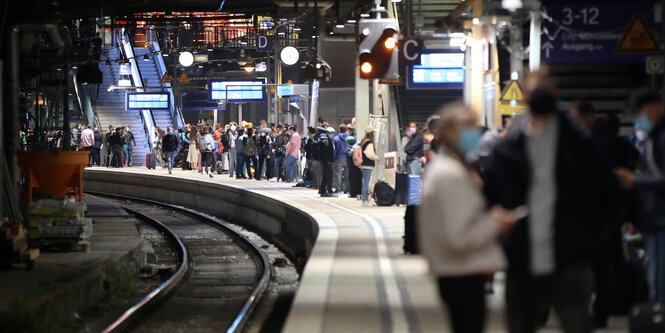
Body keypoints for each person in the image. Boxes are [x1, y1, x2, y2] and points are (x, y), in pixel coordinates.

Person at [483, 70, 620, 333]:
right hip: (521, 258)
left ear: (556, 93)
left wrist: (589, 238)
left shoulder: (582, 144)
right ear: (524, 96)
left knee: (576, 323)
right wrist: (502, 235)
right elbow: (490, 199)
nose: (540, 94)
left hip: (569, 258)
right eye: (534, 89)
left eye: (545, 87)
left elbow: (609, 195)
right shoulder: (508, 148)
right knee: (520, 325)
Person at [419, 102, 517, 333]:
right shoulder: (451, 175)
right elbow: (459, 236)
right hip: (462, 271)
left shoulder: (446, 168)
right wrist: (497, 223)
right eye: (469, 128)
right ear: (450, 132)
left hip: (455, 271)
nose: (476, 134)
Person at [615, 89, 665, 304]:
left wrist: (634, 180)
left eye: (640, 113)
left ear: (654, 108)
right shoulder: (654, 137)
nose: (638, 119)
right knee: (656, 274)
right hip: (654, 218)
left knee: (659, 277)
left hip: (661, 218)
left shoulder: (661, 138)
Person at [360, 126, 380, 206]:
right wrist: (377, 158)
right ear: (371, 133)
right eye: (373, 132)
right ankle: (365, 201)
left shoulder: (363, 141)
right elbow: (369, 154)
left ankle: (365, 200)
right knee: (366, 184)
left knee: (364, 183)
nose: (374, 134)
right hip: (367, 165)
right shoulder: (369, 143)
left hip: (363, 165)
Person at [317, 126, 335, 197]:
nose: (332, 134)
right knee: (327, 176)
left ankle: (323, 190)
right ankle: (327, 190)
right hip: (326, 161)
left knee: (324, 175)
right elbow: (327, 151)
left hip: (323, 161)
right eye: (331, 133)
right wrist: (329, 160)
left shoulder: (323, 140)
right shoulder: (326, 141)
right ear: (327, 133)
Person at [333, 124, 348, 193]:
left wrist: (333, 158)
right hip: (347, 158)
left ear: (339, 130)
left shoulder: (336, 138)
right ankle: (346, 189)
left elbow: (334, 150)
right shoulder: (349, 138)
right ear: (346, 130)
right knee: (346, 174)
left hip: (338, 158)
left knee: (338, 174)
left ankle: (338, 188)